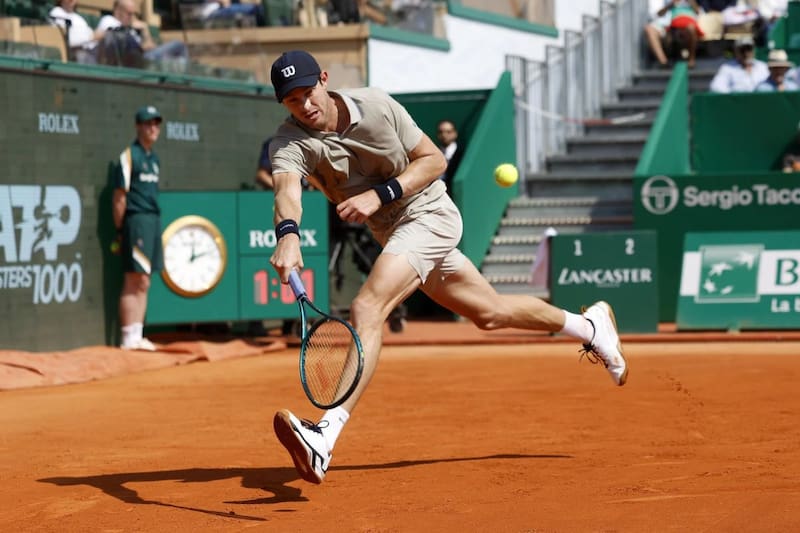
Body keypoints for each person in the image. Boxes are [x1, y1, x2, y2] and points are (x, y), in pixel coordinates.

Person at [266, 50, 629, 485]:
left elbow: (434, 161)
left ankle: (325, 434)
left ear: (324, 80)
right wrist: (288, 234)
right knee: (489, 313)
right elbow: (287, 190)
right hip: (392, 232)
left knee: (367, 308)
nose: (305, 106)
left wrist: (377, 195)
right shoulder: (288, 142)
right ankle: (590, 327)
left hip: (429, 214)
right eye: (293, 100)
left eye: (309, 93)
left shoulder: (378, 106)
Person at [112, 105, 164, 351]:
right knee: (135, 279)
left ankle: (137, 334)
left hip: (153, 221)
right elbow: (119, 197)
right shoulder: (129, 155)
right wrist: (121, 230)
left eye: (156, 124)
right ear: (138, 126)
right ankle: (127, 337)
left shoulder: (154, 159)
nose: (153, 128)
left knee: (145, 281)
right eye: (148, 123)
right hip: (136, 221)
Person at [96, 0, 189, 69]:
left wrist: (145, 29)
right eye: (129, 13)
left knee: (177, 60)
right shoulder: (109, 21)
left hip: (145, 57)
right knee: (179, 45)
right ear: (117, 11)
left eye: (133, 14)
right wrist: (143, 47)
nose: (132, 17)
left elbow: (151, 46)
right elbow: (105, 39)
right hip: (137, 60)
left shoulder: (132, 28)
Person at [434, 119, 463, 192]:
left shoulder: (461, 154)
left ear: (455, 133)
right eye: (441, 132)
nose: (444, 135)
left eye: (448, 132)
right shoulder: (435, 154)